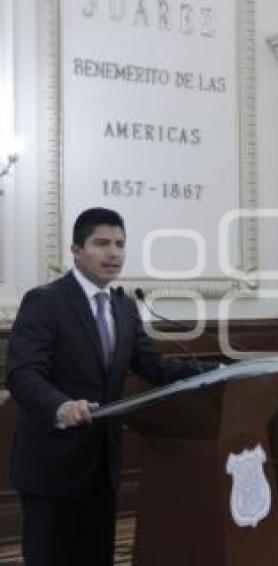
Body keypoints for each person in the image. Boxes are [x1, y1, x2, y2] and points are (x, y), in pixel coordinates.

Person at [6, 208, 214, 566]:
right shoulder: (46, 301)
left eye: (119, 244)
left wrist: (214, 371)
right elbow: (23, 374)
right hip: (52, 464)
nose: (113, 253)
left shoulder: (124, 306)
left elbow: (151, 365)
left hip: (102, 464)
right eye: (101, 243)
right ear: (76, 249)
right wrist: (60, 406)